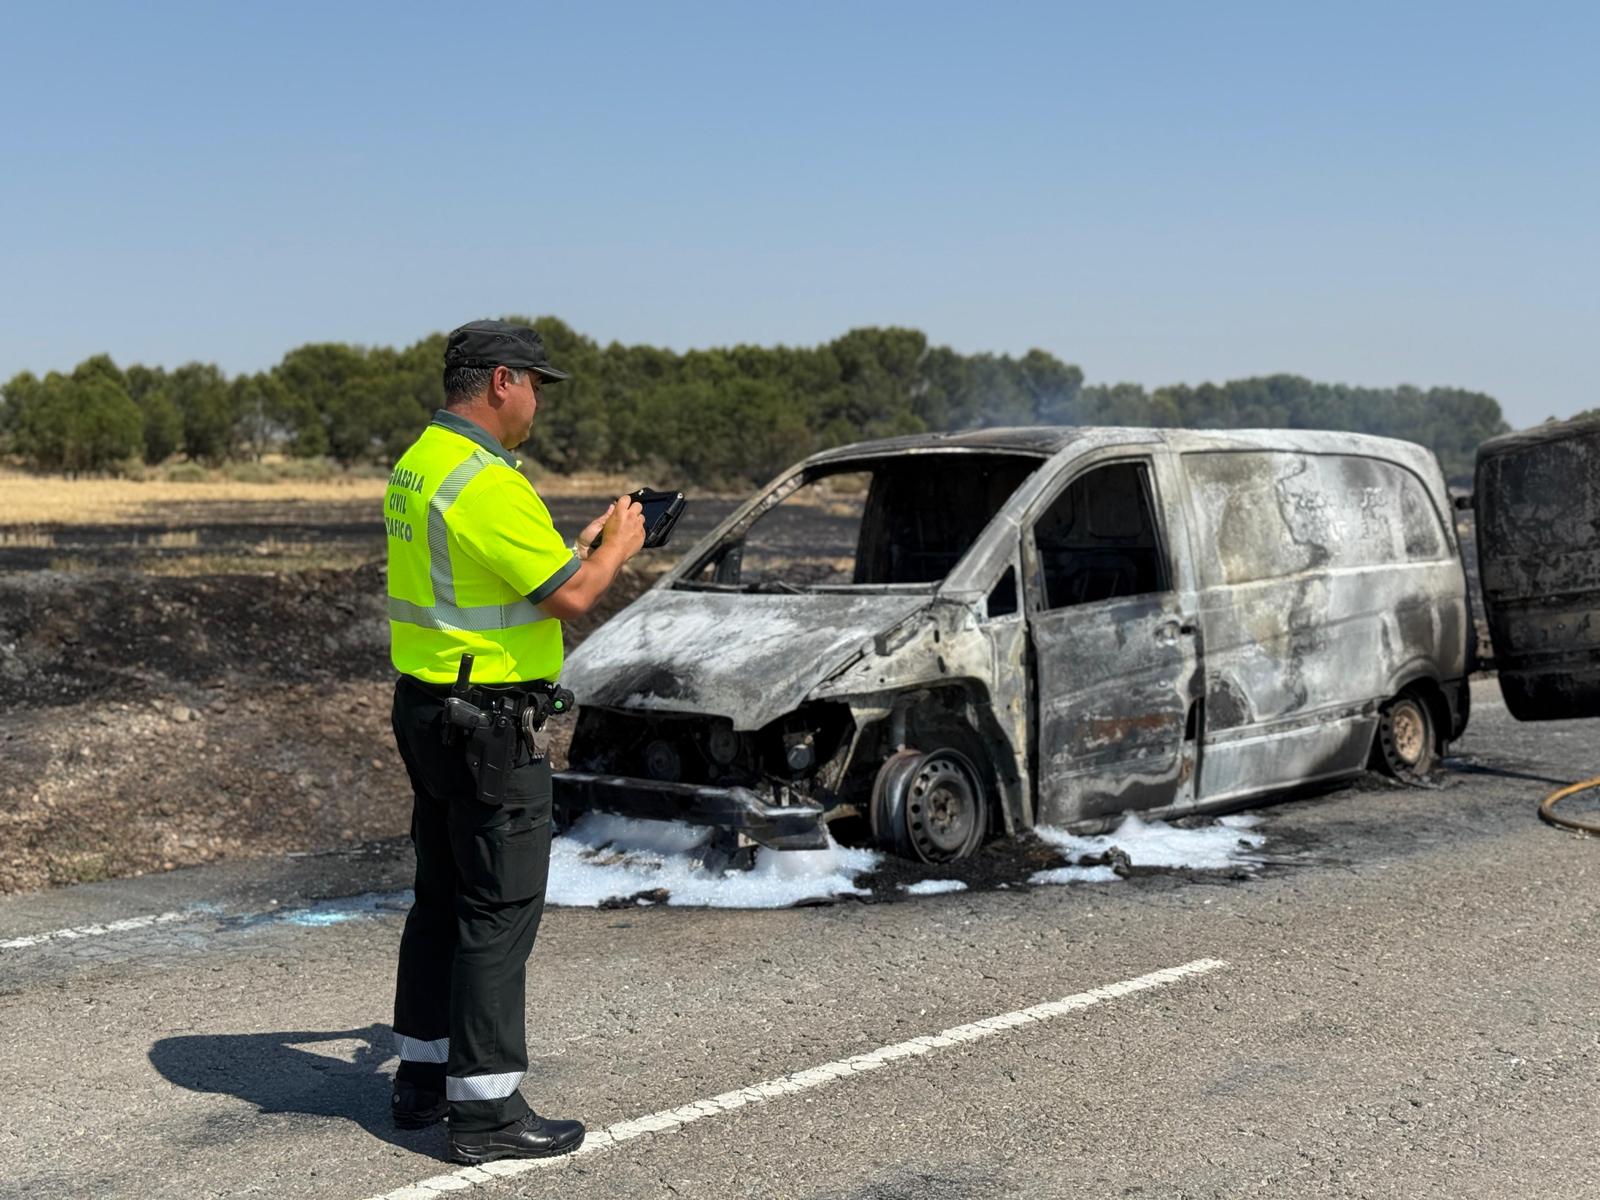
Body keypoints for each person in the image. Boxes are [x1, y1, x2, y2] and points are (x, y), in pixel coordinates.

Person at [382, 319, 645, 1163]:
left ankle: (421, 1081)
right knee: (497, 910)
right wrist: (620, 551)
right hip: (488, 727)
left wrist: (577, 551)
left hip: (429, 706)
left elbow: (500, 581)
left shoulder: (421, 462)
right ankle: (489, 1114)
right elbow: (570, 601)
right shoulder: (486, 481)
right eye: (535, 383)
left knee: (440, 897)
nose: (537, 401)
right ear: (501, 381)